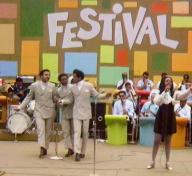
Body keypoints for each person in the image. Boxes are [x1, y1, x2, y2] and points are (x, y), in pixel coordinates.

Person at [147, 75, 192, 170]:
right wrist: (165, 92)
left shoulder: (174, 93)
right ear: (163, 83)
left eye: (170, 81)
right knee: (156, 141)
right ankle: (152, 161)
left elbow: (182, 96)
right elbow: (157, 102)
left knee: (168, 141)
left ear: (172, 84)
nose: (168, 83)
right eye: (166, 81)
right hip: (160, 117)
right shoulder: (158, 93)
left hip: (170, 117)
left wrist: (189, 90)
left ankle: (167, 162)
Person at [70, 69, 111, 161]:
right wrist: (62, 101)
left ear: (79, 77)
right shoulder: (72, 87)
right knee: (77, 132)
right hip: (76, 112)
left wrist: (105, 95)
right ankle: (77, 152)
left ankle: (83, 152)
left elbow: (96, 95)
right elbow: (70, 100)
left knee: (85, 133)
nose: (73, 78)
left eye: (74, 76)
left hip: (86, 113)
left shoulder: (88, 86)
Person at [18, 69, 56, 158]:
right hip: (38, 111)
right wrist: (20, 107)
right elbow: (28, 97)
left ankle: (46, 147)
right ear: (41, 76)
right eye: (46, 74)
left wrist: (59, 101)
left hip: (50, 111)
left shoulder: (53, 86)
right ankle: (42, 148)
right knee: (40, 130)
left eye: (49, 75)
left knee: (48, 131)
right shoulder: (34, 85)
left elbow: (55, 98)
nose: (48, 76)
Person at [56, 73, 74, 157]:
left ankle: (74, 148)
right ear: (60, 81)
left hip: (74, 112)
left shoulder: (73, 87)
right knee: (65, 132)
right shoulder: (58, 90)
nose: (64, 81)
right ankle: (69, 148)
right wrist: (59, 103)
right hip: (64, 113)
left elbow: (71, 100)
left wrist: (62, 101)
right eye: (62, 79)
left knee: (73, 132)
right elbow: (58, 103)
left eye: (65, 79)